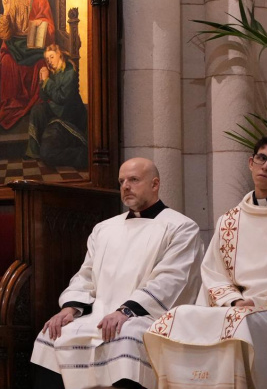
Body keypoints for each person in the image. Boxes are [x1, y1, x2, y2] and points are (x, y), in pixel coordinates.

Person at [144, 136, 267, 388]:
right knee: (177, 317)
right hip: (235, 306)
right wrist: (235, 300)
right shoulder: (231, 220)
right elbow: (213, 273)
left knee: (244, 322)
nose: (266, 166)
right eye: (261, 158)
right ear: (250, 162)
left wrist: (262, 302)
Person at [31, 158, 204, 389]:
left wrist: (126, 311)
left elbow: (171, 280)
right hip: (101, 313)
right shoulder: (105, 228)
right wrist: (69, 308)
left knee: (126, 336)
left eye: (133, 180)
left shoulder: (181, 227)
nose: (125, 186)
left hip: (149, 315)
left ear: (155, 184)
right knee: (52, 334)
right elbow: (86, 275)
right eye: (122, 181)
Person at [0, 0, 57, 130]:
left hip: (35, 43)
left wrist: (41, 24)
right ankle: (11, 103)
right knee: (7, 62)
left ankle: (38, 105)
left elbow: (49, 22)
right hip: (15, 43)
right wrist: (6, 11)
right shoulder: (14, 0)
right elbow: (5, 35)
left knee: (40, 64)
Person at [24, 44, 87, 167]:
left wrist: (47, 81)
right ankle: (33, 151)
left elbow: (61, 98)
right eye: (47, 59)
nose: (49, 61)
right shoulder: (54, 73)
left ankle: (83, 155)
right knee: (37, 110)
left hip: (69, 121)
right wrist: (42, 80)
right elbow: (43, 97)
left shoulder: (69, 71)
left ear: (60, 55)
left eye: (52, 57)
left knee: (48, 154)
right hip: (57, 116)